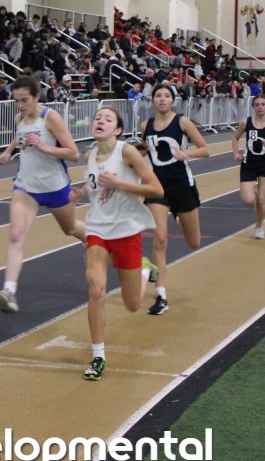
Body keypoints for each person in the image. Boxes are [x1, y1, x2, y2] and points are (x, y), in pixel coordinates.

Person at [73, 106, 163, 380]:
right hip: (98, 229)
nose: (100, 121)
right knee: (96, 290)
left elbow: (156, 189)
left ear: (118, 129)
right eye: (97, 117)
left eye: (108, 118)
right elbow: (96, 182)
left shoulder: (127, 152)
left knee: (132, 304)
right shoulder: (90, 155)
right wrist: (80, 192)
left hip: (126, 231)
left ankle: (145, 270)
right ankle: (98, 357)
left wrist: (120, 183)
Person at [0, 76, 86, 314]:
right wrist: (9, 149)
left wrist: (44, 147)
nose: (20, 105)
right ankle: (9, 292)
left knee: (70, 229)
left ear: (36, 97)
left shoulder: (50, 117)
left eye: (24, 100)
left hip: (55, 187)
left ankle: (100, 242)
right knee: (16, 235)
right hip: (26, 187)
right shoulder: (19, 118)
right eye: (16, 101)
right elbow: (21, 135)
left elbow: (74, 154)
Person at [141, 83, 209, 314]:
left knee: (194, 242)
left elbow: (205, 149)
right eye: (158, 95)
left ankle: (180, 215)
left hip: (182, 187)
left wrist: (186, 153)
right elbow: (144, 151)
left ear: (173, 101)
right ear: (153, 100)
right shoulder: (146, 126)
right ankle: (161, 296)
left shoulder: (182, 122)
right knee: (160, 239)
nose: (162, 99)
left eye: (166, 96)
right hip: (157, 189)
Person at [232, 94, 265, 238]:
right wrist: (236, 153)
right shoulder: (245, 122)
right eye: (257, 104)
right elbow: (235, 138)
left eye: (263, 104)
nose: (260, 107)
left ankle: (259, 227)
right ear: (253, 107)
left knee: (262, 201)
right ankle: (254, 191)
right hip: (248, 165)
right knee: (248, 201)